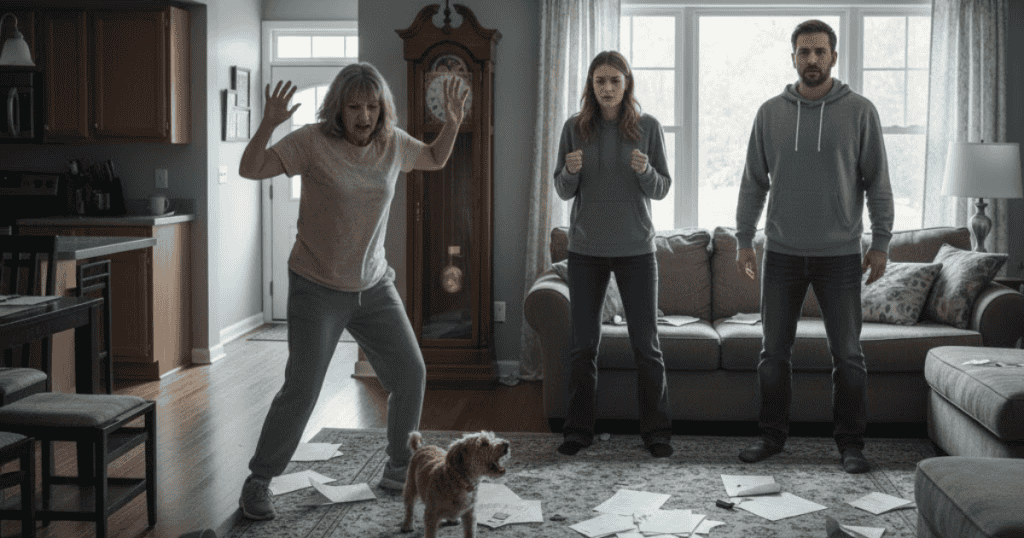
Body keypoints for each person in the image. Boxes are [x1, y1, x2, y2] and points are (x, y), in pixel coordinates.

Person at [235, 62, 468, 520]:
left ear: (383, 109)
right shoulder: (311, 142)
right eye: (354, 106)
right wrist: (268, 123)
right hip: (316, 286)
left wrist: (452, 125)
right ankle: (259, 480)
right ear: (338, 109)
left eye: (372, 106)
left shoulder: (392, 143)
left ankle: (400, 468)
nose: (364, 115)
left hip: (374, 284)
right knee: (302, 388)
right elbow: (250, 168)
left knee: (410, 374)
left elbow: (436, 158)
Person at [734, 20, 894, 474]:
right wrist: (745, 238)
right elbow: (753, 182)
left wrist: (880, 242)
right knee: (772, 353)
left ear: (834, 57)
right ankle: (771, 437)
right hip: (781, 253)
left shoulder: (860, 111)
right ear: (792, 58)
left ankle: (851, 444)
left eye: (820, 52)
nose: (812, 60)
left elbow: (878, 181)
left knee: (847, 354)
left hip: (841, 256)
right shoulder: (769, 113)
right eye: (804, 52)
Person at [553, 50, 674, 458]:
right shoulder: (574, 128)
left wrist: (645, 171)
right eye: (599, 81)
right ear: (591, 84)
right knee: (582, 345)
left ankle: (656, 433)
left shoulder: (648, 128)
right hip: (585, 251)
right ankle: (577, 430)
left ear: (627, 85)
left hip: (636, 251)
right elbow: (563, 189)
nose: (606, 88)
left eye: (614, 81)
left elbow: (661, 188)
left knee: (646, 345)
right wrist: (569, 170)